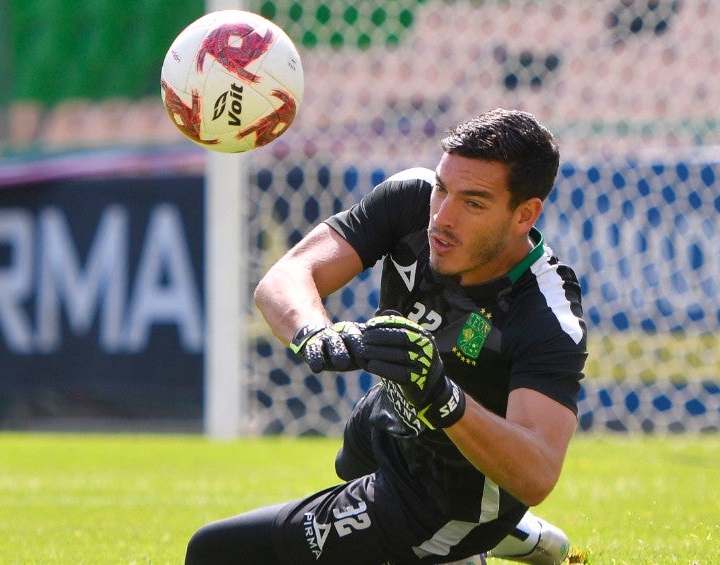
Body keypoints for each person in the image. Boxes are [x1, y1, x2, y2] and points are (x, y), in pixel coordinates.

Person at [185, 108, 588, 564]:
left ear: (524, 215)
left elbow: (536, 472)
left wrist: (442, 397)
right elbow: (286, 278)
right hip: (387, 426)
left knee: (215, 553)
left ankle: (466, 544)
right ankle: (519, 537)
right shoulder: (411, 202)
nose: (443, 217)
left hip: (449, 496)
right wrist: (316, 334)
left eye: (473, 203)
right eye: (442, 188)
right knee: (351, 461)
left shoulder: (547, 312)